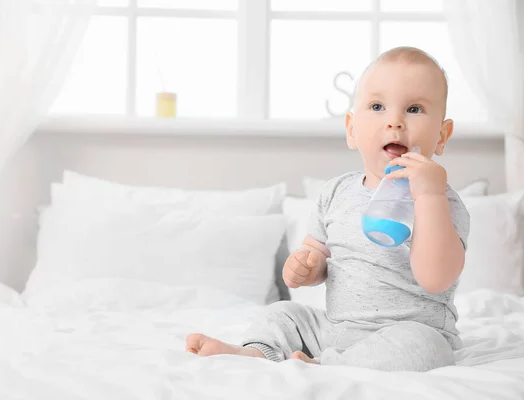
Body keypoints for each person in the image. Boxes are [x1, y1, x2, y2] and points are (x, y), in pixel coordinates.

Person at [186, 46, 470, 372]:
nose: (394, 121)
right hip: (335, 329)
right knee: (283, 313)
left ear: (442, 136)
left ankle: (324, 366)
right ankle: (257, 352)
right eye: (377, 106)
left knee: (425, 348)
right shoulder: (336, 192)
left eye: (415, 108)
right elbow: (317, 251)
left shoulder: (443, 201)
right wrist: (308, 265)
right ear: (352, 129)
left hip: (409, 332)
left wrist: (429, 196)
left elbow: (436, 279)